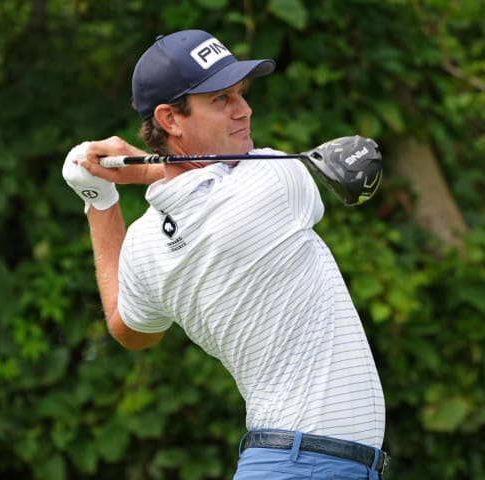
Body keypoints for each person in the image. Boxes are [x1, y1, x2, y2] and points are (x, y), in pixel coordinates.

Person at [61, 30, 389, 479]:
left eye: (241, 94)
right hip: (306, 464)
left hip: (292, 461)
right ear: (170, 119)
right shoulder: (273, 183)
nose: (244, 109)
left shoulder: (144, 246)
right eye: (221, 99)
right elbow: (207, 185)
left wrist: (99, 202)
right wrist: (140, 169)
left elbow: (129, 329)